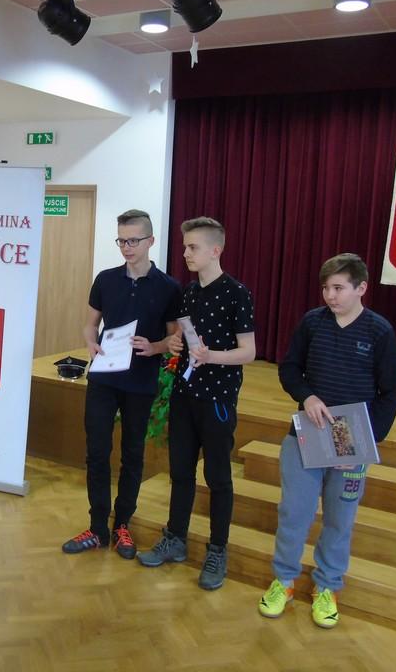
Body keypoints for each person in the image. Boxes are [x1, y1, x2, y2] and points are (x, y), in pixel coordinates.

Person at [258, 253, 396, 628]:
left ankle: (327, 586)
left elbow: (390, 393)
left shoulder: (379, 332)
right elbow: (290, 368)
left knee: (339, 519)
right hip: (307, 432)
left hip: (351, 438)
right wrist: (307, 396)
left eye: (338, 288)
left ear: (361, 288)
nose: (330, 295)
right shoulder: (312, 322)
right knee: (294, 513)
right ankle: (284, 580)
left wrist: (363, 444)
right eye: (325, 288)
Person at [136, 217, 255, 590]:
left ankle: (217, 550)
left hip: (217, 399)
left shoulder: (237, 293)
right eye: (185, 246)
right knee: (181, 472)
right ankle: (175, 538)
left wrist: (211, 356)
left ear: (215, 250)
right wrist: (175, 345)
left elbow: (249, 351)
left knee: (218, 477)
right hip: (184, 395)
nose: (186, 253)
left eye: (193, 247)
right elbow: (183, 338)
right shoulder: (188, 293)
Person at [62, 209, 182, 559]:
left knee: (132, 454)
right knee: (97, 452)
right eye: (121, 240)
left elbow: (175, 338)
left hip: (140, 380)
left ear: (151, 241)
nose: (127, 247)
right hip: (103, 377)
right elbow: (90, 325)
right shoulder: (106, 279)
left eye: (133, 240)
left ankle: (123, 525)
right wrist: (90, 343)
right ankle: (97, 527)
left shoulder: (168, 287)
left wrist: (154, 347)